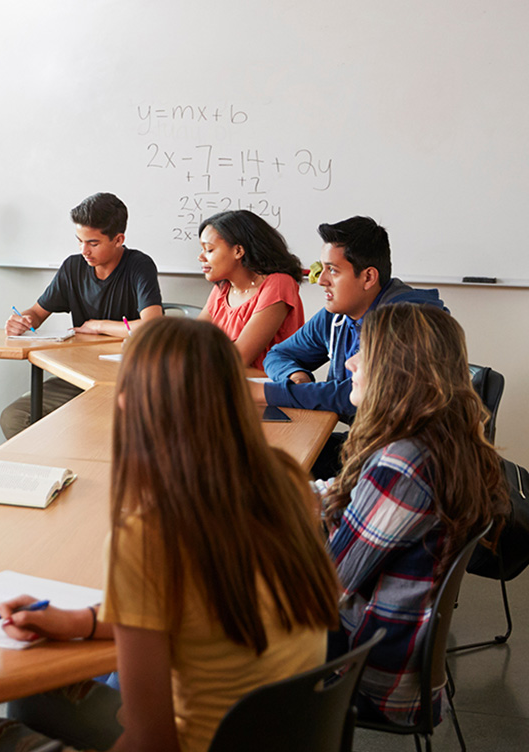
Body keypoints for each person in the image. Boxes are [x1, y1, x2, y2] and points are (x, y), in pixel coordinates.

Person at [0, 318, 339, 752]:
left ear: (128, 404)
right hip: (281, 736)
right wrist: (78, 621)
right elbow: (187, 609)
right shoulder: (284, 483)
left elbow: (150, 741)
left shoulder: (149, 534)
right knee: (37, 693)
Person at [321, 303, 506, 727]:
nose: (349, 362)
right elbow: (344, 511)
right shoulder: (443, 442)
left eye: (361, 353)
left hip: (369, 677)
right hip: (393, 656)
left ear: (395, 370)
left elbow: (326, 584)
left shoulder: (402, 465)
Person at [253, 216, 446, 478]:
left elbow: (356, 396)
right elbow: (280, 353)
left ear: (368, 277)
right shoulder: (337, 314)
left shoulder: (405, 322)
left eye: (333, 270)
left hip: (402, 462)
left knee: (275, 479)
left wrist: (263, 392)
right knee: (266, 459)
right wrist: (293, 376)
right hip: (366, 444)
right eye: (322, 268)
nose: (321, 280)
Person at [0, 192, 163, 439]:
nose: (84, 250)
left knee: (102, 432)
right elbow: (36, 312)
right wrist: (23, 321)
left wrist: (99, 325)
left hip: (129, 379)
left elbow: (153, 325)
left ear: (119, 239)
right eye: (79, 241)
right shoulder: (73, 267)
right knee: (14, 417)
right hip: (78, 375)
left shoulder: (139, 266)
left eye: (93, 243)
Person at [196, 209, 304, 369]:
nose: (201, 257)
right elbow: (191, 342)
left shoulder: (279, 284)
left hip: (264, 387)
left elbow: (238, 359)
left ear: (238, 251)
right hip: (223, 379)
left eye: (209, 250)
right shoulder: (223, 287)